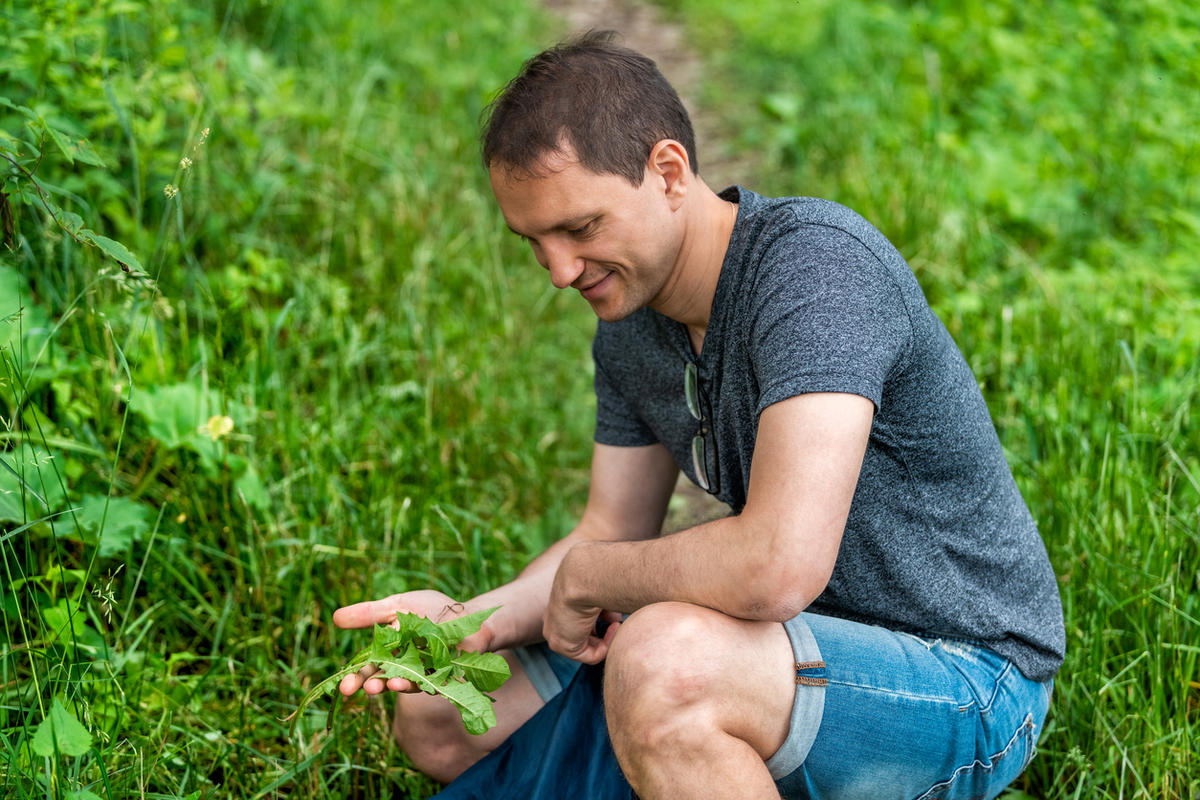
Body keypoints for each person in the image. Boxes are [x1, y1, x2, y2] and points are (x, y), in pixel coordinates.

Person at [330, 31, 1065, 799]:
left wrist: (596, 578)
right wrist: (459, 627)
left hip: (966, 676)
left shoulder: (815, 272)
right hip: (786, 655)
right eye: (533, 242)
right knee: (442, 709)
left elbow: (776, 565)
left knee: (663, 662)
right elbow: (606, 533)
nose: (558, 272)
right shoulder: (631, 328)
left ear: (669, 171)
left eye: (581, 229)